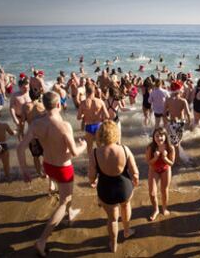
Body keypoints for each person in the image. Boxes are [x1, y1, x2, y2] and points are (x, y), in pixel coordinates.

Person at [17, 92, 87, 257]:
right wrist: (83, 145)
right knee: (64, 201)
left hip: (48, 166)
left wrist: (25, 170)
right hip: (63, 168)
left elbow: (20, 148)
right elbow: (75, 152)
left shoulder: (35, 124)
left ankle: (70, 213)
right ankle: (42, 241)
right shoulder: (64, 126)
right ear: (58, 105)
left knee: (66, 195)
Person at [88, 120, 139, 253]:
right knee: (126, 206)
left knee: (112, 219)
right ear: (115, 133)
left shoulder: (95, 153)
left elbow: (91, 175)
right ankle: (127, 231)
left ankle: (113, 243)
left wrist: (92, 181)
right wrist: (135, 179)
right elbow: (134, 171)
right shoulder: (124, 149)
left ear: (100, 135)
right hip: (124, 187)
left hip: (106, 189)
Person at [145, 128, 175, 221]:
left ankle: (164, 208)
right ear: (153, 137)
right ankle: (156, 210)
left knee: (164, 190)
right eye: (157, 136)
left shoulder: (170, 147)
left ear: (165, 136)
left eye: (161, 135)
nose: (159, 138)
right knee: (152, 193)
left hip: (165, 169)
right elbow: (148, 162)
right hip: (153, 169)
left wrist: (164, 157)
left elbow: (171, 163)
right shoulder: (151, 147)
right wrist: (155, 157)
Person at [21, 89, 47, 179]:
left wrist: (21, 133)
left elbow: (22, 122)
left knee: (35, 156)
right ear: (39, 96)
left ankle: (39, 173)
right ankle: (46, 173)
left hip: (31, 135)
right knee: (46, 155)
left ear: (29, 95)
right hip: (42, 135)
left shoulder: (25, 107)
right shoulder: (42, 106)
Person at [77, 84, 109, 156]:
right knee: (100, 147)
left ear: (86, 92)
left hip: (89, 126)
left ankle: (91, 164)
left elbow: (78, 117)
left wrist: (84, 115)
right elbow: (107, 116)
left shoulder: (83, 103)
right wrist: (101, 117)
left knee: (89, 148)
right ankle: (101, 164)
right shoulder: (100, 102)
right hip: (99, 125)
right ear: (94, 91)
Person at [164, 80, 191, 164]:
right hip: (179, 123)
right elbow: (188, 114)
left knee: (174, 141)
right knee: (177, 143)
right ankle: (177, 160)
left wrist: (167, 120)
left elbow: (163, 113)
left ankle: (173, 157)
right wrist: (189, 122)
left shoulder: (168, 100)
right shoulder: (183, 101)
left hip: (171, 122)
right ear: (180, 90)